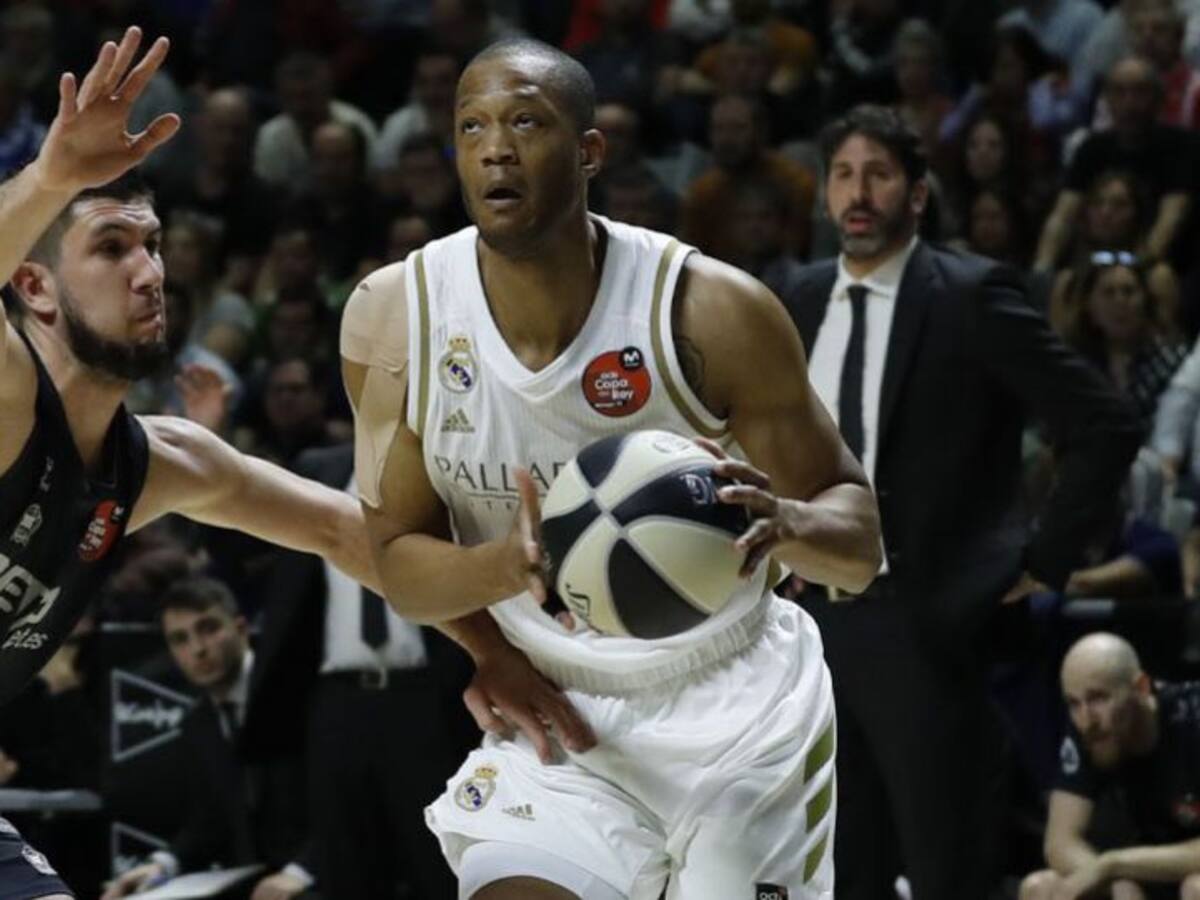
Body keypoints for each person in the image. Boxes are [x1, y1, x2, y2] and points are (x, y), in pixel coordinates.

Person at [340, 36, 882, 900]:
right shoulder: (393, 320)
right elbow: (399, 565)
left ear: (590, 152)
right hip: (561, 705)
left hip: (734, 701)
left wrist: (790, 524)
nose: (495, 148)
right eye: (472, 126)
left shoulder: (711, 311)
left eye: (526, 122)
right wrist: (503, 571)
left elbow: (859, 546)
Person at [0, 27, 387, 899]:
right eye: (111, 247)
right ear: (33, 286)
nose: (150, 273)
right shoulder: (8, 395)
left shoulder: (159, 463)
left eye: (154, 245)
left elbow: (348, 533)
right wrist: (51, 177)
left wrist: (506, 638)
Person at [783, 105, 1141, 900]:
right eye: (843, 175)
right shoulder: (797, 297)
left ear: (918, 194)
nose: (858, 193)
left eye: (879, 174)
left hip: (929, 626)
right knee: (839, 876)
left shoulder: (970, 295)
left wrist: (1042, 559)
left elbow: (1104, 423)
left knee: (950, 875)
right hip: (813, 631)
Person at [258, 443, 472, 898]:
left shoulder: (440, 467)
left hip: (422, 696)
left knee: (440, 862)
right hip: (338, 700)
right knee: (346, 865)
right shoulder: (319, 467)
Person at [101, 576, 315, 900]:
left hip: (324, 877)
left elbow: (344, 805)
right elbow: (210, 823)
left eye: (209, 628)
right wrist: (161, 865)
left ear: (241, 628)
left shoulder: (299, 697)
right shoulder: (197, 724)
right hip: (253, 884)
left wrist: (299, 873)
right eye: (180, 639)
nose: (198, 649)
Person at [1019, 633, 1200, 900]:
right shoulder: (1089, 727)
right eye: (1073, 703)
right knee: (1039, 888)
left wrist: (1112, 866)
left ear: (1141, 688)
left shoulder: (1192, 719)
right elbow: (1060, 842)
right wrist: (1117, 884)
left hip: (1186, 868)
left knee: (1196, 887)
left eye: (1098, 698)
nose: (1085, 719)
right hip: (1144, 869)